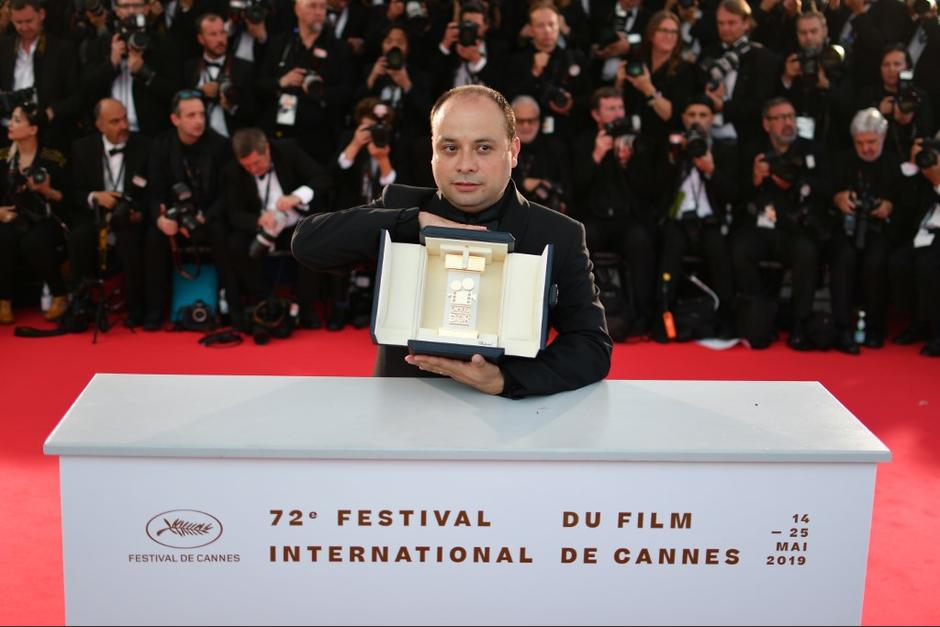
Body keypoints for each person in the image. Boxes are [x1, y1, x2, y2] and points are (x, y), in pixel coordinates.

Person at [292, 84, 612, 398]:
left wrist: (506, 379)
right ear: (433, 150)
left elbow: (591, 346)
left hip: (506, 423)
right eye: (450, 148)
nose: (465, 165)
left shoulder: (558, 233)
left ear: (513, 151)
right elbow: (307, 243)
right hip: (402, 414)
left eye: (483, 147)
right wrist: (412, 221)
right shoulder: (400, 207)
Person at [68, 98, 151, 327]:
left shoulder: (144, 146)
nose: (123, 125)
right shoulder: (82, 148)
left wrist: (139, 212)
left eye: (124, 118)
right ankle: (81, 305)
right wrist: (95, 196)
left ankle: (136, 310)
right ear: (99, 125)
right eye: (115, 121)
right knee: (79, 237)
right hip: (95, 215)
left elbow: (152, 191)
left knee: (130, 241)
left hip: (129, 216)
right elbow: (74, 192)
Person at [828, 108, 901, 353]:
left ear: (882, 138)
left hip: (881, 231)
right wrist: (838, 198)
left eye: (871, 142)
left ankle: (875, 328)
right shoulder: (842, 161)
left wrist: (889, 206)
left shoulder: (894, 164)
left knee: (876, 262)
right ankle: (842, 329)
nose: (866, 148)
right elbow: (825, 193)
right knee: (842, 259)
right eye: (860, 143)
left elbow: (908, 205)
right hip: (846, 228)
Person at [0, 103, 68, 324]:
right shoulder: (3, 156)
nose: (10, 124)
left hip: (46, 218)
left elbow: (68, 196)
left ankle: (59, 294)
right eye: (11, 118)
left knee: (32, 242)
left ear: (33, 129)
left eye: (17, 120)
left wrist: (47, 190)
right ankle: (4, 300)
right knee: (4, 237)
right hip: (10, 217)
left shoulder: (53, 157)